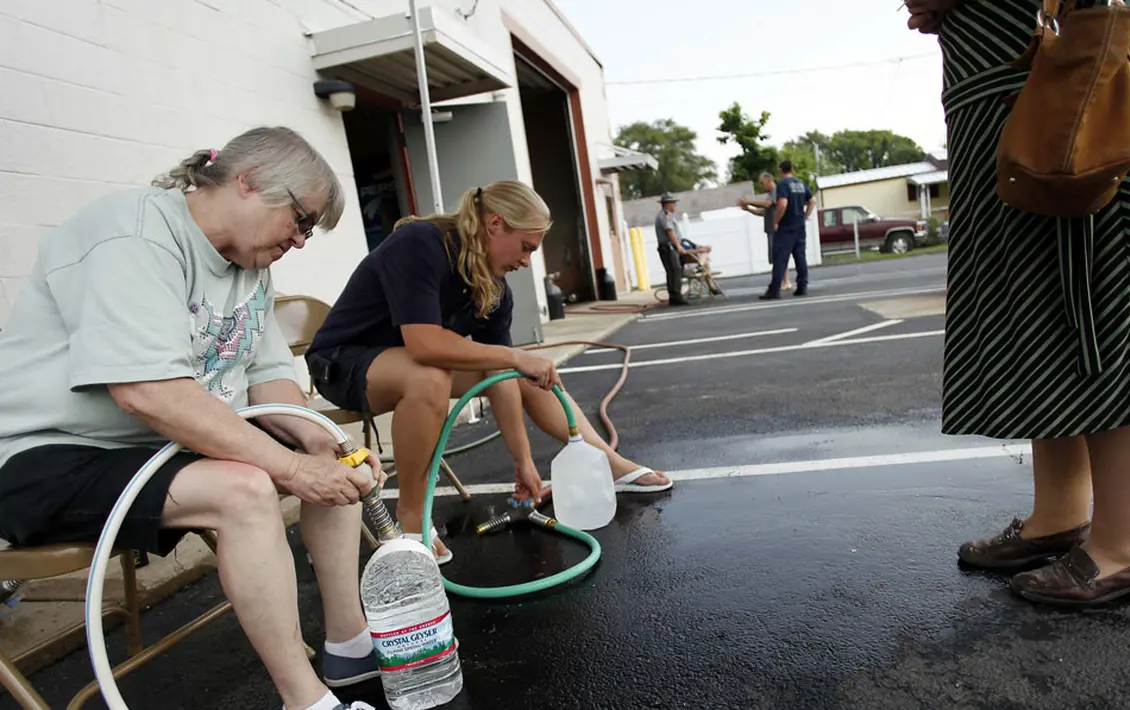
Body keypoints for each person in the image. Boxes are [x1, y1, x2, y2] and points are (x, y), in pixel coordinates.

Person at [0, 126, 383, 710]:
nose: (301, 241)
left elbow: (268, 377)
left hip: (152, 447)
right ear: (248, 182)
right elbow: (148, 393)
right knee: (246, 488)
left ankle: (349, 645)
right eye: (301, 221)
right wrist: (290, 468)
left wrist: (317, 440)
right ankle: (306, 701)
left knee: (327, 458)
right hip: (44, 454)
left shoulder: (250, 267)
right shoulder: (134, 232)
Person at [908, 0, 1130, 607]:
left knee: (1105, 274)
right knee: (1043, 287)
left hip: (1105, 42)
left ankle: (1128, 546)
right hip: (1028, 54)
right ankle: (1060, 513)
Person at [304, 180, 674, 564]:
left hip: (401, 363)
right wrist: (513, 358)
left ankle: (611, 465)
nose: (528, 261)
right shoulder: (420, 244)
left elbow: (501, 372)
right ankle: (411, 520)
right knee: (433, 375)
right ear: (496, 223)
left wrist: (523, 461)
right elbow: (424, 344)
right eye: (526, 247)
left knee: (523, 373)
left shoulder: (494, 288)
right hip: (342, 363)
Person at [761, 160, 815, 300]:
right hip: (799, 225)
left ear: (780, 170)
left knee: (780, 258)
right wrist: (805, 216)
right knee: (800, 256)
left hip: (786, 226)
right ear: (792, 169)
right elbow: (812, 201)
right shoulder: (800, 184)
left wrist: (776, 221)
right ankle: (802, 286)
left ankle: (774, 289)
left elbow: (783, 204)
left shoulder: (783, 184)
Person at [739, 172, 792, 293]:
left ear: (769, 180)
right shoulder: (770, 195)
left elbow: (767, 205)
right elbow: (763, 212)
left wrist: (748, 202)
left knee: (779, 256)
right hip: (770, 229)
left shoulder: (775, 191)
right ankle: (781, 281)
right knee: (775, 257)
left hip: (776, 229)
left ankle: (785, 281)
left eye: (762, 183)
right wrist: (748, 209)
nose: (762, 186)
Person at [654, 193, 689, 306]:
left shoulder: (668, 215)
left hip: (669, 247)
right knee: (675, 270)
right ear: (668, 204)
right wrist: (678, 246)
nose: (675, 205)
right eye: (673, 203)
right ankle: (675, 296)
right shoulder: (665, 215)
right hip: (668, 248)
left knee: (674, 271)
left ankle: (675, 295)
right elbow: (670, 231)